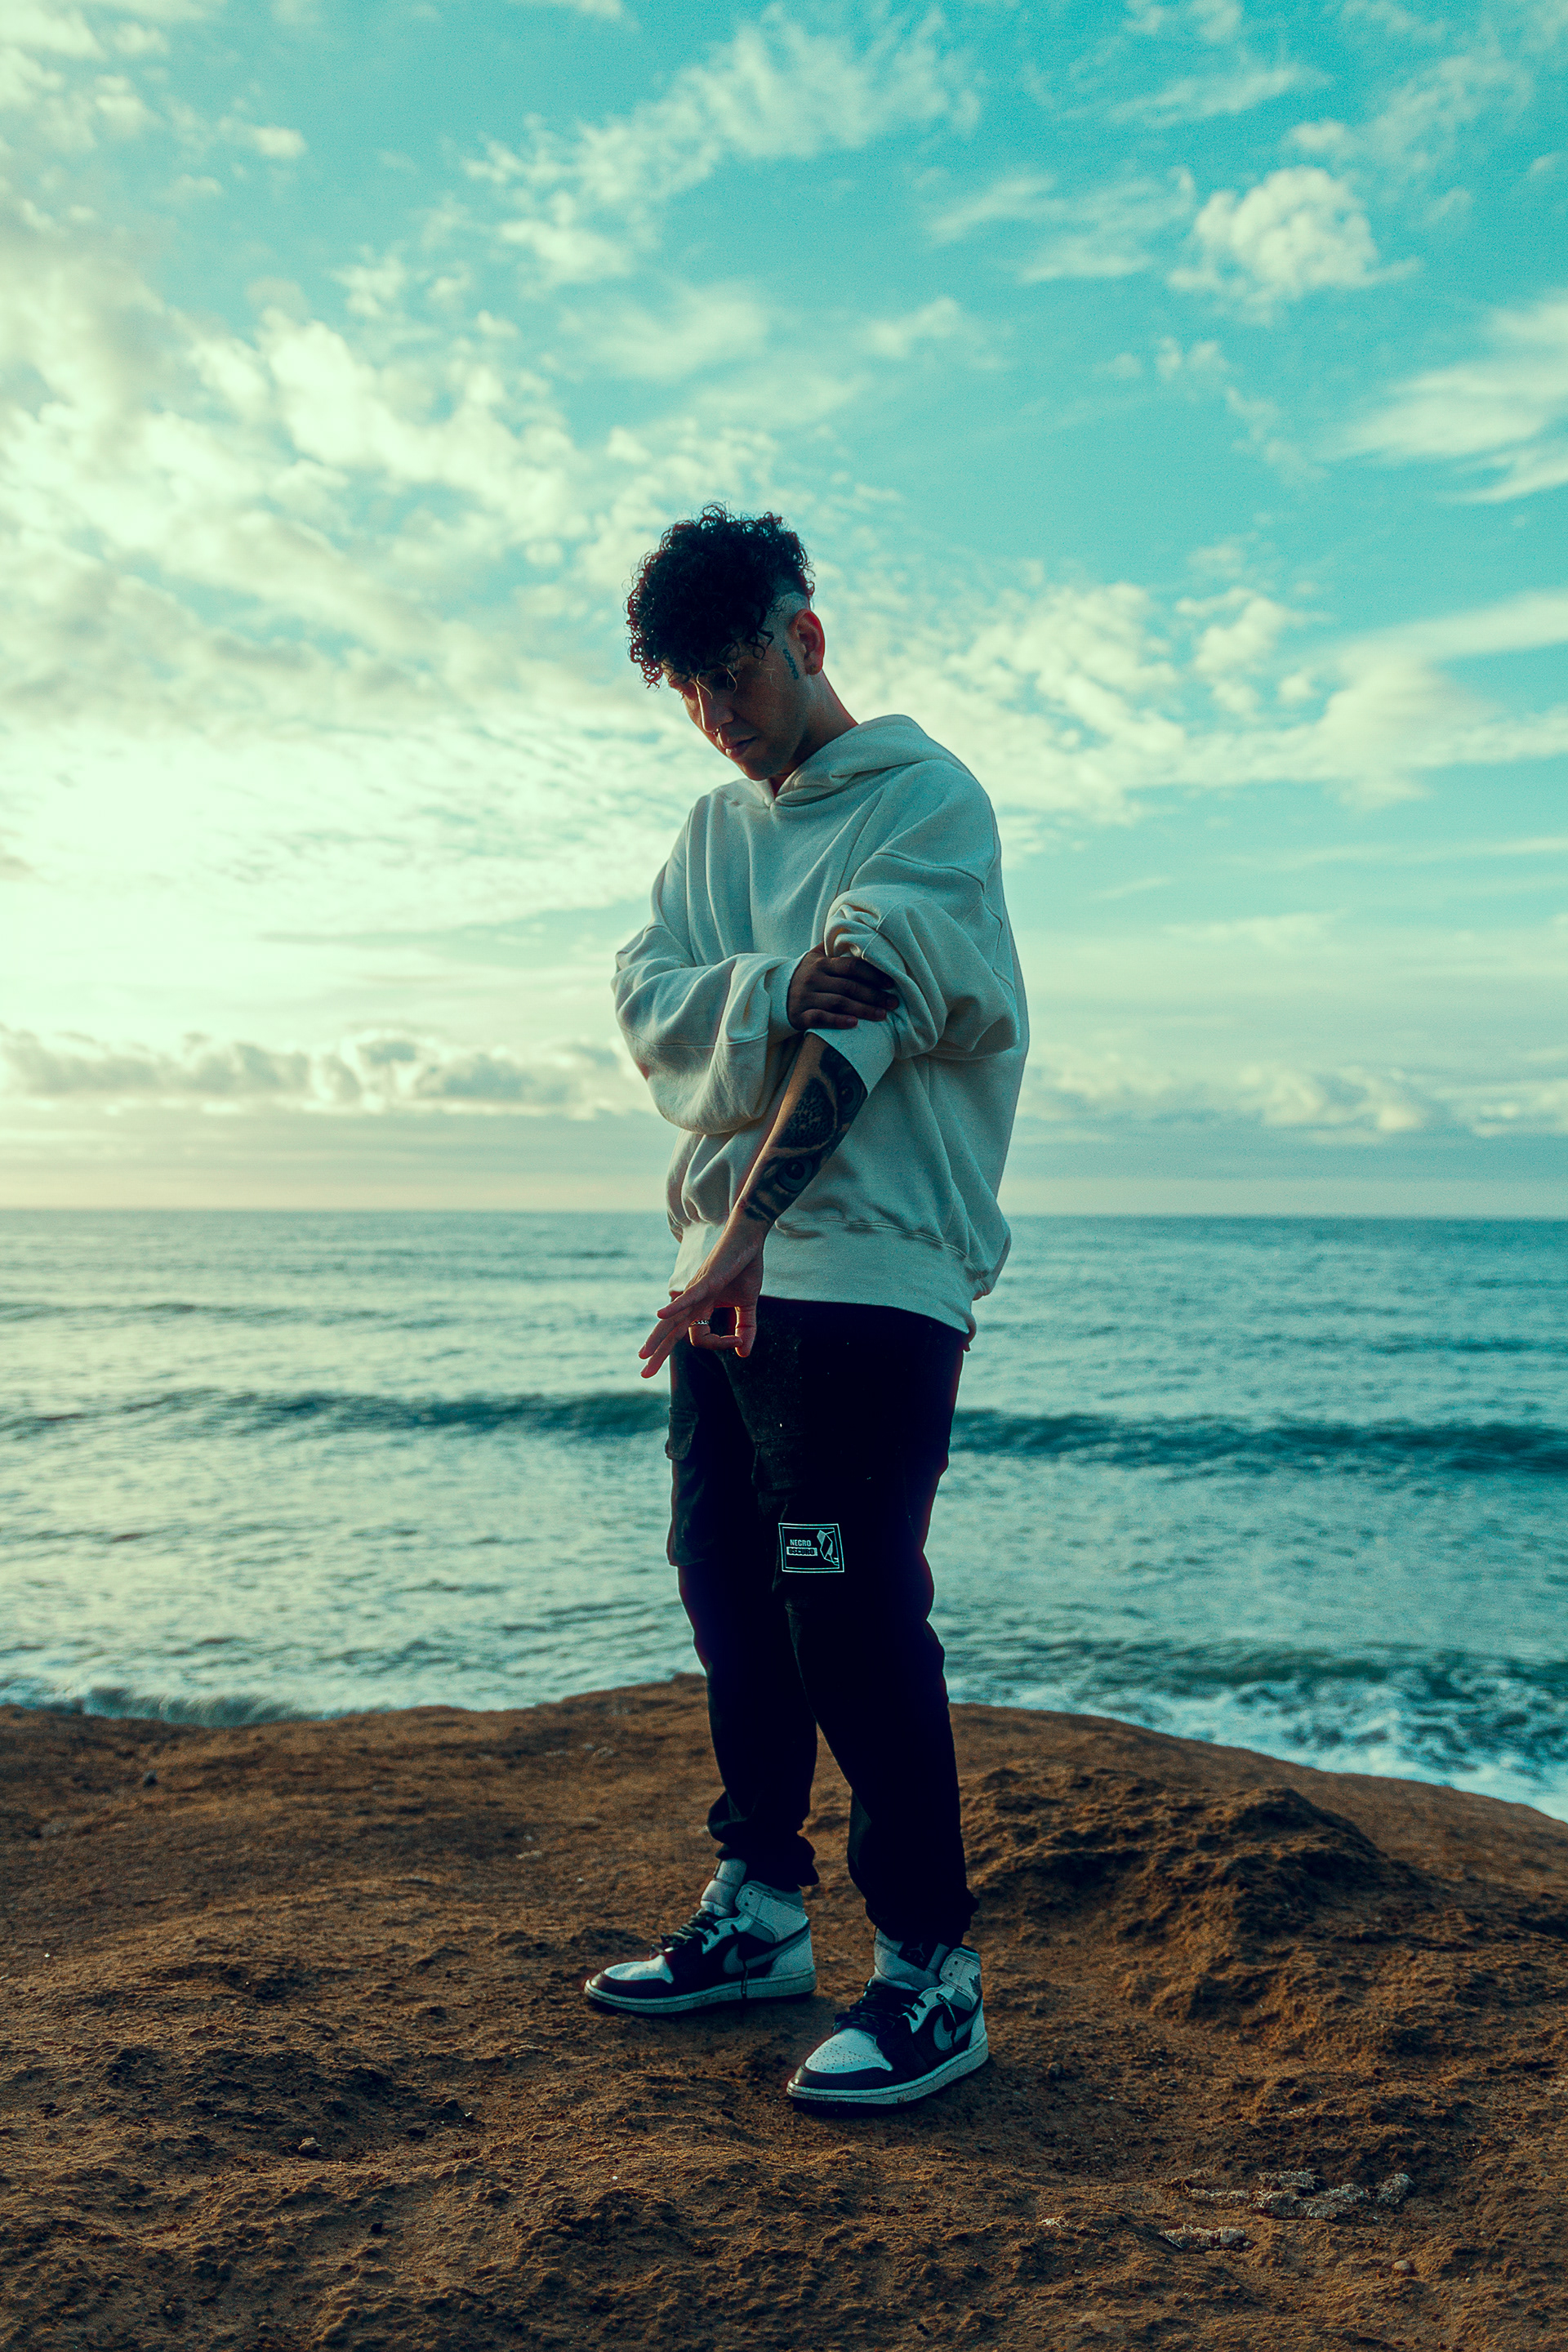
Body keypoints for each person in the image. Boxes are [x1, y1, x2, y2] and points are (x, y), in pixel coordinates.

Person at [583, 506, 1028, 2110]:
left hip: (869, 1274)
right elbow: (646, 1003)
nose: (719, 712)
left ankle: (932, 1973)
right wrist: (772, 986)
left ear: (806, 637)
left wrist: (746, 1232)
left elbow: (870, 1026)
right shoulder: (711, 838)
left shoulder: (925, 801)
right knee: (724, 1590)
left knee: (849, 1609)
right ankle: (763, 1908)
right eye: (689, 689)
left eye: (736, 671)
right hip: (725, 1278)